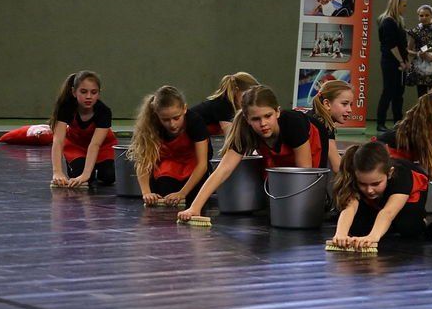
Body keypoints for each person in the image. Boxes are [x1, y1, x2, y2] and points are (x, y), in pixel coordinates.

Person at [178, 86, 326, 221]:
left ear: (277, 112)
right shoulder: (244, 130)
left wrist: (297, 210)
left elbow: (304, 171)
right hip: (277, 150)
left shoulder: (293, 123)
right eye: (256, 119)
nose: (263, 124)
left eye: (268, 116)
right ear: (247, 119)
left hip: (312, 141)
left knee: (303, 201)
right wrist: (195, 207)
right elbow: (223, 170)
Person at [330, 142, 429, 249]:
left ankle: (421, 221)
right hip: (379, 199)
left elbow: (388, 212)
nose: (369, 190)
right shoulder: (354, 176)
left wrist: (373, 236)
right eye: (363, 184)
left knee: (407, 227)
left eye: (375, 184)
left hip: (408, 196)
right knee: (357, 228)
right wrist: (341, 234)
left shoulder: (401, 175)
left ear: (389, 173)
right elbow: (349, 207)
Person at [128, 86, 210, 206]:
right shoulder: (151, 125)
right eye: (165, 120)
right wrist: (146, 193)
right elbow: (143, 160)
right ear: (157, 115)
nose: (172, 124)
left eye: (176, 118)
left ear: (184, 109)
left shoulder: (195, 122)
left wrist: (182, 193)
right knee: (164, 189)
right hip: (169, 164)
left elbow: (202, 165)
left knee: (194, 195)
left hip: (194, 165)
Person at [376, 82, 432, 181]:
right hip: (378, 161)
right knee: (419, 180)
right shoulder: (430, 127)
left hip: (378, 156)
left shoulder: (423, 120)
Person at [49, 70, 117, 187]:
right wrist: (57, 172)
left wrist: (86, 174)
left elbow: (95, 144)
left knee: (108, 176)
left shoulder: (104, 111)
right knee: (79, 175)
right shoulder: (66, 107)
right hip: (76, 146)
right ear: (74, 92)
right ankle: (85, 167)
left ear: (99, 93)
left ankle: (94, 168)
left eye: (94, 92)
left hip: (102, 147)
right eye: (83, 92)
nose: (89, 97)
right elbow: (58, 140)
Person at [376, 0, 409, 132]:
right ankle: (380, 122)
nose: (405, 8)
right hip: (390, 62)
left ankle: (398, 121)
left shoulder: (398, 21)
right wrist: (401, 61)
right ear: (397, 5)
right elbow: (392, 45)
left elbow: (402, 44)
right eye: (404, 5)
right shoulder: (388, 22)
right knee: (388, 91)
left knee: (398, 93)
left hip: (399, 62)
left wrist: (406, 60)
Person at [191, 72, 260, 136]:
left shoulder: (234, 105)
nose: (249, 100)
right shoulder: (223, 104)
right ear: (236, 90)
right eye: (247, 95)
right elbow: (230, 135)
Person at [307, 79, 354, 172]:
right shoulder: (324, 124)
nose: (350, 110)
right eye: (344, 104)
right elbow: (338, 167)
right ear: (327, 104)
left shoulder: (312, 115)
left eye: (351, 104)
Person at [406, 4, 432, 97]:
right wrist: (418, 54)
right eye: (421, 15)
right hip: (420, 66)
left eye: (427, 15)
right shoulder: (415, 31)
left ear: (431, 15)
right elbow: (408, 50)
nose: (424, 17)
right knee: (421, 94)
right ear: (418, 16)